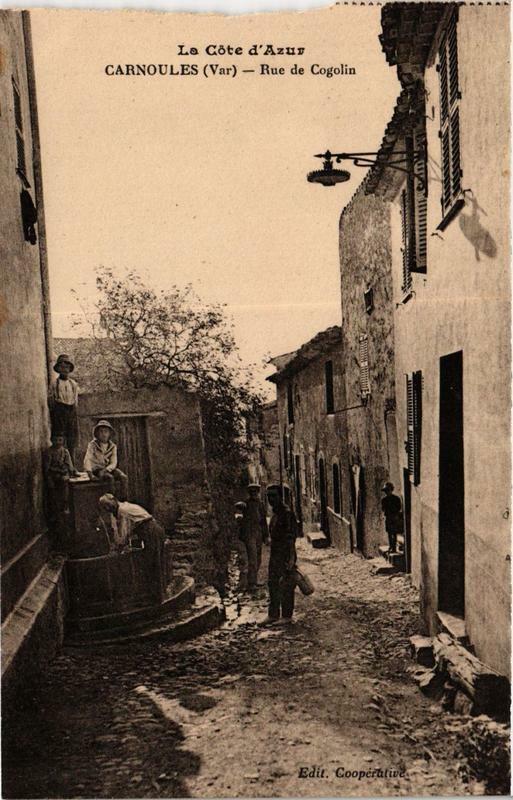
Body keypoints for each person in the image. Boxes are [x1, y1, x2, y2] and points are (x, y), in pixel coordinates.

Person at [98, 494, 167, 599]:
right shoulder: (120, 509)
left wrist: (119, 547)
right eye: (104, 507)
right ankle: (157, 594)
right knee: (152, 562)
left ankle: (158, 596)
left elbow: (125, 532)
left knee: (154, 562)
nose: (107, 508)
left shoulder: (123, 510)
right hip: (148, 531)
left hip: (151, 530)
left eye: (108, 504)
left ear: (114, 500)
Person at [260, 484, 298, 625]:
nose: (271, 499)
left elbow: (291, 538)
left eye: (274, 496)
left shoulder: (287, 514)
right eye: (268, 496)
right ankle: (273, 614)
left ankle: (287, 616)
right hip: (275, 554)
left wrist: (291, 558)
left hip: (285, 554)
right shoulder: (275, 514)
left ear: (280, 497)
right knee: (273, 583)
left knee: (286, 584)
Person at [84, 419, 128, 500]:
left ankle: (123, 500)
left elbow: (114, 462)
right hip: (97, 470)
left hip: (108, 469)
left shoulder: (113, 446)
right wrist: (90, 473)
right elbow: (87, 459)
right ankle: (110, 500)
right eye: (101, 431)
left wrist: (106, 470)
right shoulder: (92, 445)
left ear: (109, 433)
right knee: (110, 478)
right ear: (97, 433)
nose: (103, 434)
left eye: (106, 431)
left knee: (123, 477)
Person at [49, 354, 79, 460]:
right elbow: (51, 401)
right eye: (61, 367)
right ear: (58, 369)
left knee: (72, 439)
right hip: (59, 411)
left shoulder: (73, 384)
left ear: (70, 369)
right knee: (59, 438)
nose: (64, 370)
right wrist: (55, 413)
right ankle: (61, 463)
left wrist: (73, 411)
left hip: (71, 411)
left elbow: (75, 400)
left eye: (66, 367)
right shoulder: (54, 384)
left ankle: (72, 464)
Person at [241, 484, 269, 593]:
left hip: (258, 532)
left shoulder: (260, 504)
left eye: (255, 492)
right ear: (249, 493)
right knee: (252, 558)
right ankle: (251, 583)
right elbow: (241, 519)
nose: (254, 494)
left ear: (257, 492)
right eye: (252, 492)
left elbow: (263, 521)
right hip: (249, 533)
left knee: (258, 558)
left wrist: (266, 536)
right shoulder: (245, 504)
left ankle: (254, 579)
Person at [44, 431, 78, 515]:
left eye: (60, 440)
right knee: (53, 492)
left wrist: (72, 470)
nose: (58, 442)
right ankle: (57, 510)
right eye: (55, 440)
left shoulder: (65, 451)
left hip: (63, 473)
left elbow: (69, 464)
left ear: (63, 441)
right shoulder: (49, 452)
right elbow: (47, 468)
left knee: (68, 482)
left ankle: (66, 505)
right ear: (51, 440)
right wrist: (59, 470)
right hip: (53, 475)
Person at [381, 481, 403, 553]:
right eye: (386, 491)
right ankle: (391, 546)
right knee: (389, 532)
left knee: (394, 533)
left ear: (391, 490)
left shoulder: (396, 499)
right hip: (388, 517)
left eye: (388, 490)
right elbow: (383, 509)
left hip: (394, 517)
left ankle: (394, 548)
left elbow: (399, 508)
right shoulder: (384, 500)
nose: (387, 492)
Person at [234, 500, 249, 592]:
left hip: (240, 541)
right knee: (243, 563)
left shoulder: (240, 518)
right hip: (240, 542)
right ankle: (242, 584)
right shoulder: (240, 518)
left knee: (242, 563)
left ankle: (242, 583)